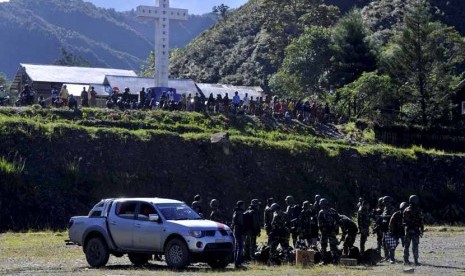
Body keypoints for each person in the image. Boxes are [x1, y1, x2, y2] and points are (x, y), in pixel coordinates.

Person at [403, 195, 424, 266]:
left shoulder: (405, 210)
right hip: (415, 230)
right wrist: (422, 230)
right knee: (415, 246)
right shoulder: (418, 210)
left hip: (407, 230)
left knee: (406, 246)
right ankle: (416, 261)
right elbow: (421, 221)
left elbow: (403, 221)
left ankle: (405, 261)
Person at [318, 198, 340, 264]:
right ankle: (335, 261)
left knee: (323, 246)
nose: (320, 206)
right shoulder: (333, 211)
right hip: (332, 232)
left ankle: (324, 261)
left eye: (321, 204)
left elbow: (320, 224)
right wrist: (335, 230)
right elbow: (338, 221)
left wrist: (322, 231)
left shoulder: (321, 212)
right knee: (333, 247)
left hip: (325, 232)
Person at [232, 201, 246, 268]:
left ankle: (236, 263)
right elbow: (240, 223)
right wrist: (242, 232)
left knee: (237, 247)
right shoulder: (240, 212)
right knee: (240, 247)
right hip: (239, 231)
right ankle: (238, 263)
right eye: (243, 205)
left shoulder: (236, 212)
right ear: (240, 205)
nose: (244, 206)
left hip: (236, 230)